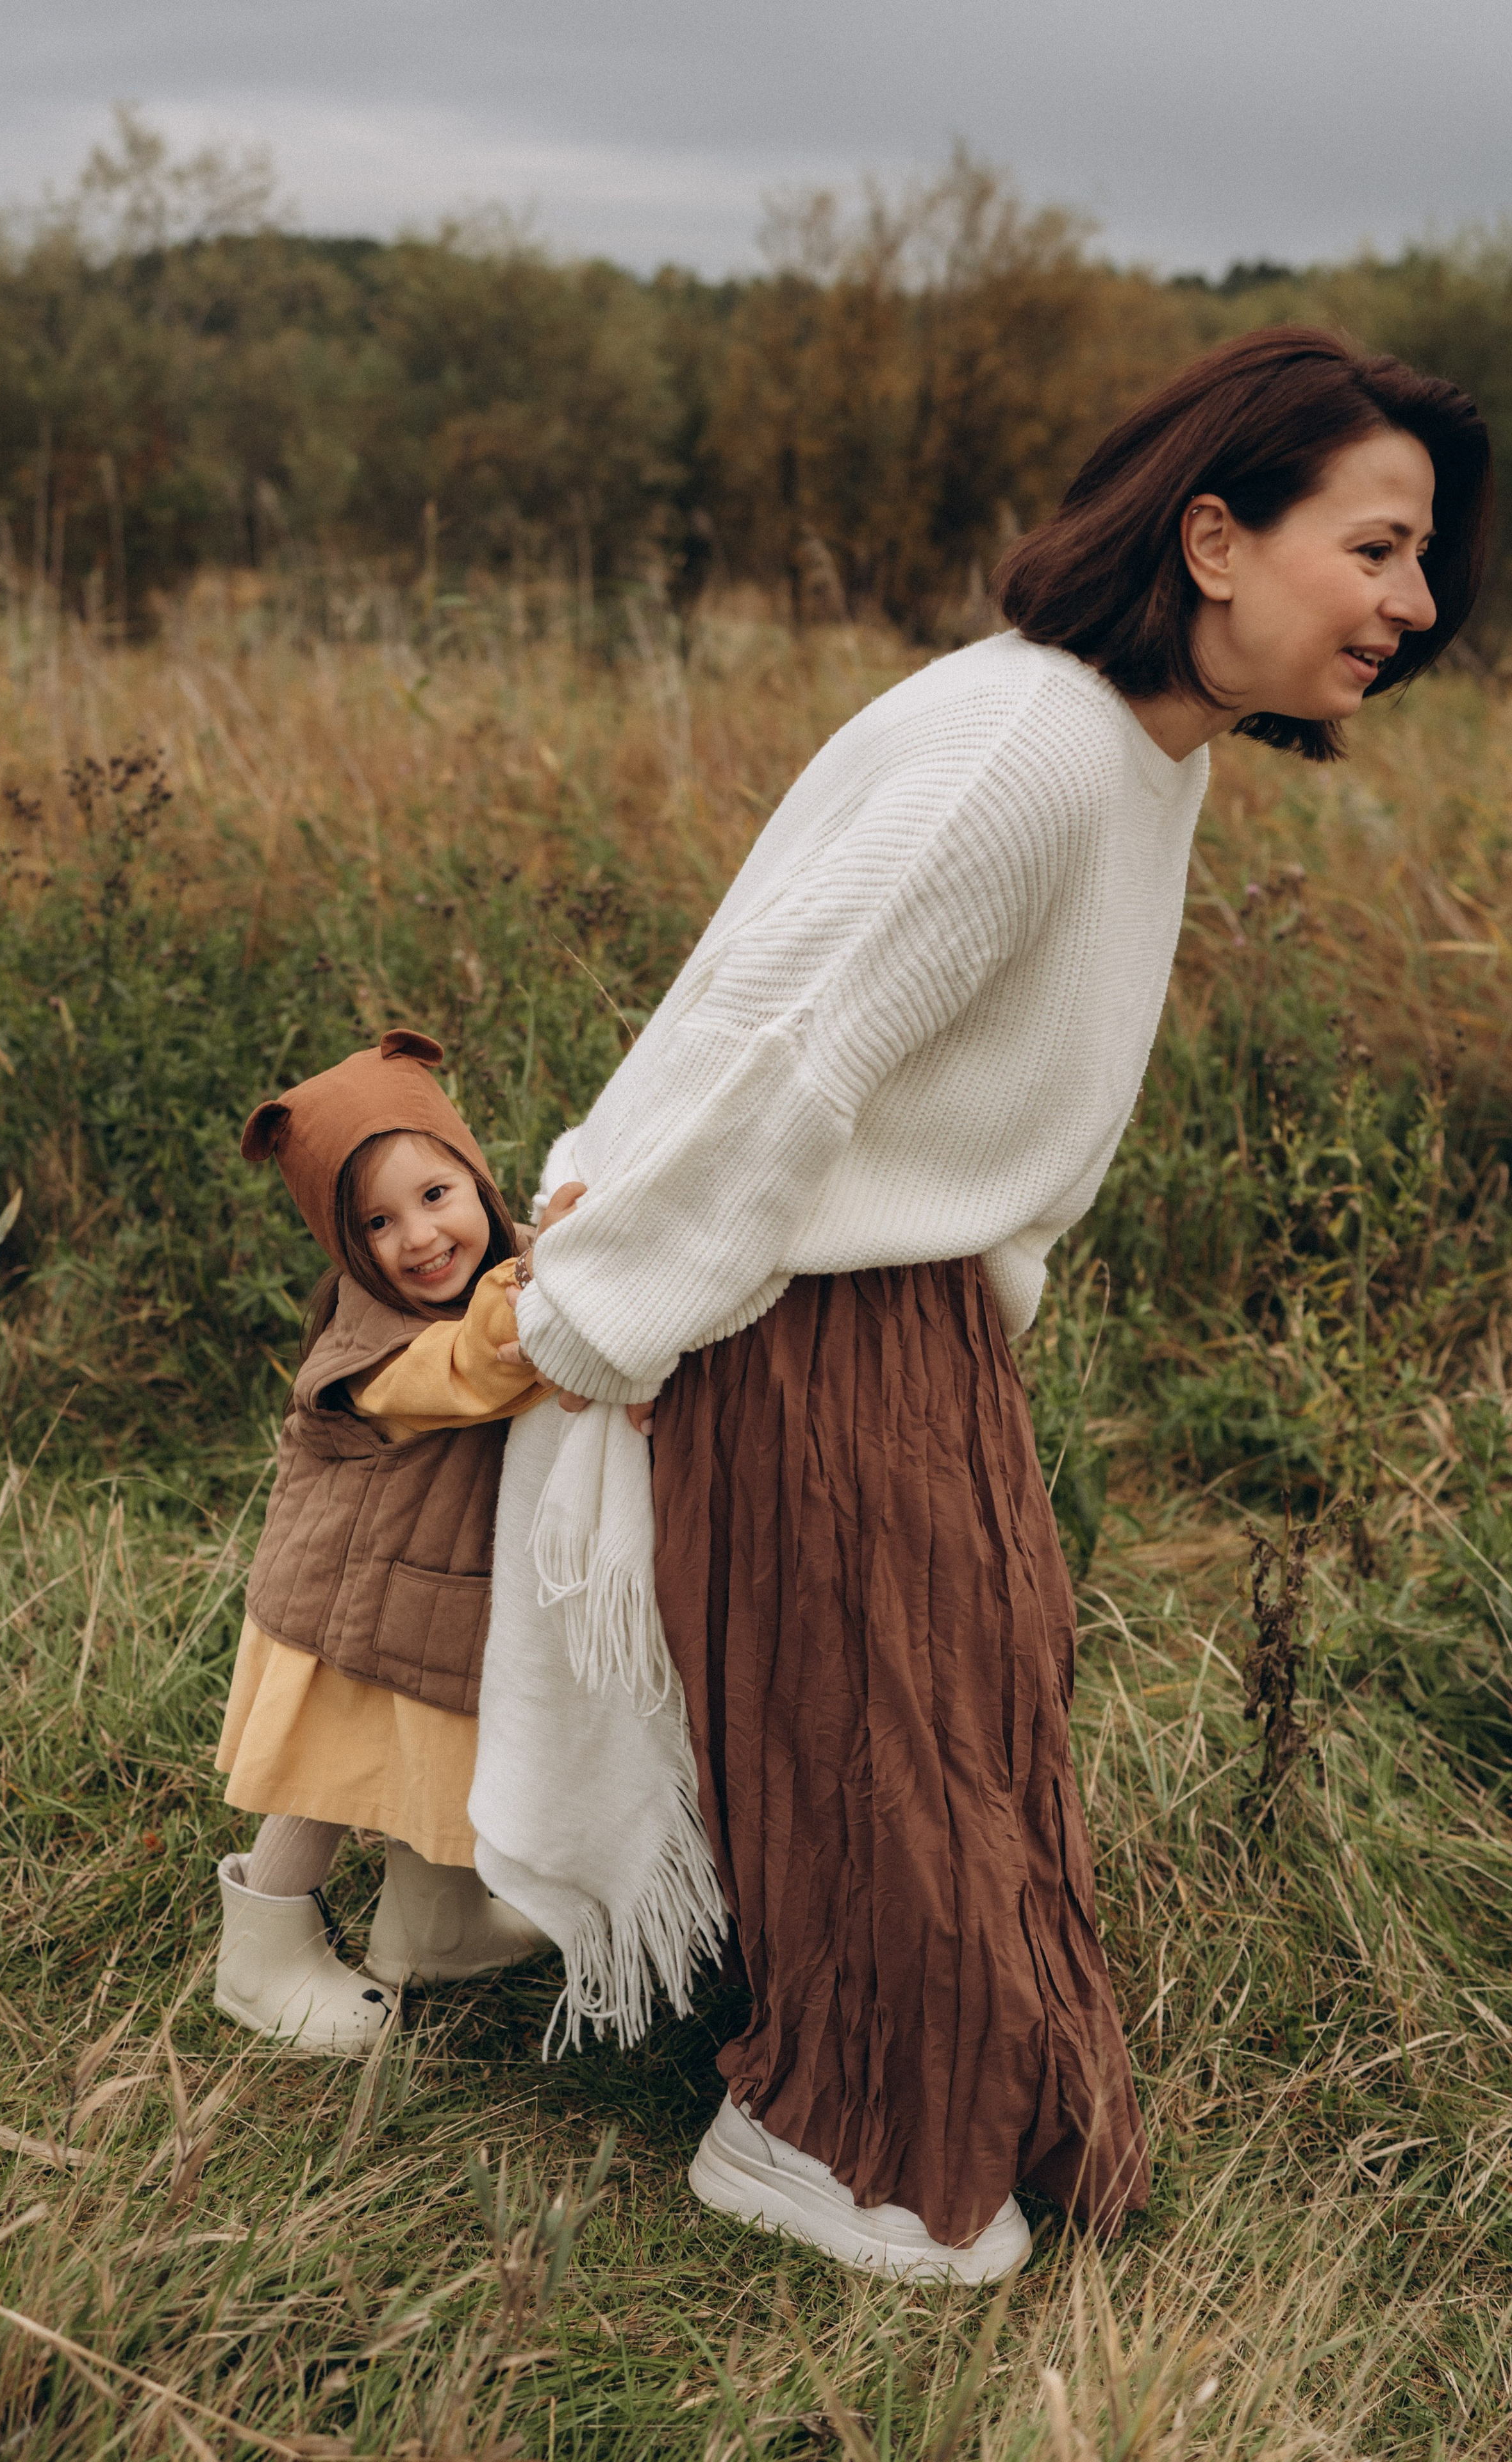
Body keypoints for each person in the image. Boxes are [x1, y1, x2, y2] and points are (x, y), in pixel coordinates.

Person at [503, 329, 1492, 2277]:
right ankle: (828, 2136)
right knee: (892, 1764)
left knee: (971, 1734)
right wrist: (599, 1329)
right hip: (798, 1323)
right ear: (1216, 535)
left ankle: (905, 2092)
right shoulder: (1030, 752)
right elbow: (784, 1050)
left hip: (915, 1319)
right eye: (1377, 548)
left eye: (1423, 560)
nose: (1417, 603)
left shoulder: (1135, 755)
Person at [212, 1029, 552, 2056]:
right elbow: (481, 1365)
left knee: (437, 1763)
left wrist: (567, 1243)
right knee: (327, 1778)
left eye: (437, 1195)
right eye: (377, 1223)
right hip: (347, 1610)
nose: (419, 1237)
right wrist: (555, 1275)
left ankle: (436, 1928)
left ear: (478, 1182)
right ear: (345, 1247)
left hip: (431, 1593)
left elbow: (528, 1292)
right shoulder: (373, 1351)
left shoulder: (504, 1272)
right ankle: (261, 1954)